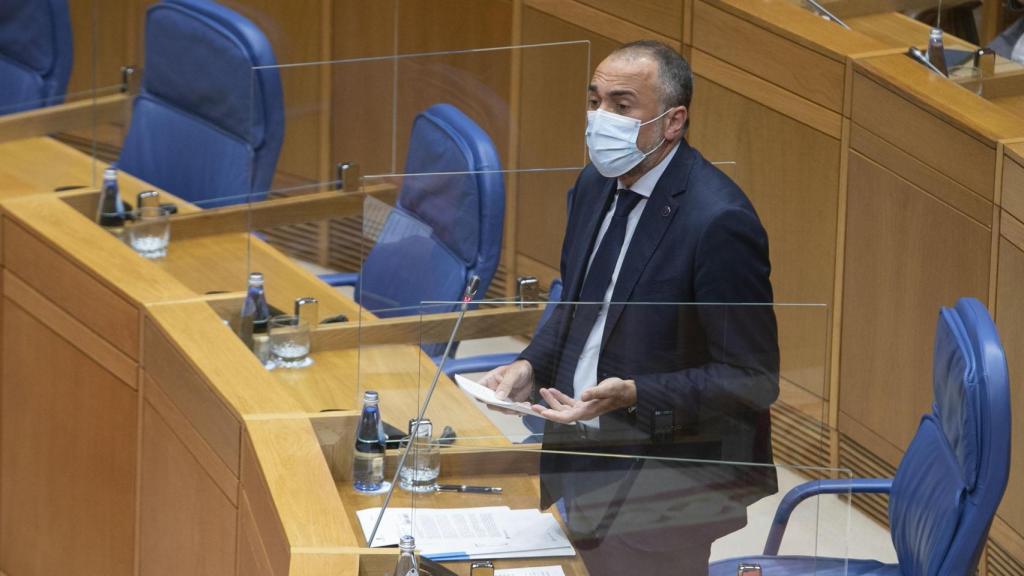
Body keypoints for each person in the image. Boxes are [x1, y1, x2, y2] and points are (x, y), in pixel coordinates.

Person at [480, 40, 780, 575]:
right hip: (583, 455)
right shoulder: (594, 183)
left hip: (669, 478)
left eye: (622, 106)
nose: (600, 119)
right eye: (595, 101)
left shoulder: (718, 222)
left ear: (672, 122)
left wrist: (636, 394)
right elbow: (578, 305)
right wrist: (531, 364)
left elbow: (752, 379)